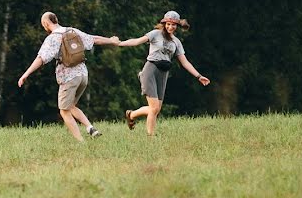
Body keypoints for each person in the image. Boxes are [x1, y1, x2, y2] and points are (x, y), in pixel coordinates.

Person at [18, 12, 119, 142]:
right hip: (83, 74)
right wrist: (110, 40)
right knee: (71, 105)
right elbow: (93, 39)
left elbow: (41, 58)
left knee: (64, 110)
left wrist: (26, 74)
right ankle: (90, 128)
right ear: (56, 20)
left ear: (46, 24)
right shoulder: (72, 30)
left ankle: (81, 142)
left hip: (68, 78)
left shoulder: (53, 38)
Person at [118, 10, 210, 136]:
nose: (170, 27)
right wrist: (120, 43)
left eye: (173, 25)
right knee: (154, 108)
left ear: (177, 26)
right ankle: (151, 137)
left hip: (163, 74)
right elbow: (137, 41)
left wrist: (199, 76)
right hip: (150, 70)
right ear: (164, 23)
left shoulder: (176, 42)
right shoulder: (155, 34)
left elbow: (185, 62)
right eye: (168, 24)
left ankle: (131, 115)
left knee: (156, 109)